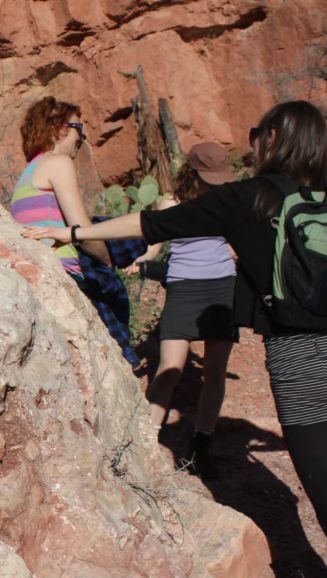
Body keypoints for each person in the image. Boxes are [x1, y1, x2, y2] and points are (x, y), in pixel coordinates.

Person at [32, 101, 327, 578]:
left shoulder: (250, 198)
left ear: (272, 137)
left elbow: (150, 226)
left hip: (307, 369)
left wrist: (72, 231)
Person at [127, 142, 238, 479]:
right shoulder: (171, 203)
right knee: (170, 368)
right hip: (183, 289)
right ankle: (144, 446)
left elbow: (236, 248)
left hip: (222, 288)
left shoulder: (228, 204)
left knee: (215, 371)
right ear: (192, 173)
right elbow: (154, 246)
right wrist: (138, 262)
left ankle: (200, 447)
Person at [11, 96, 146, 370]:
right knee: (112, 239)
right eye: (79, 129)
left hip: (40, 274)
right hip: (68, 272)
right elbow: (80, 227)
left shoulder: (28, 173)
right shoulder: (57, 162)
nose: (82, 138)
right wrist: (107, 262)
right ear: (59, 128)